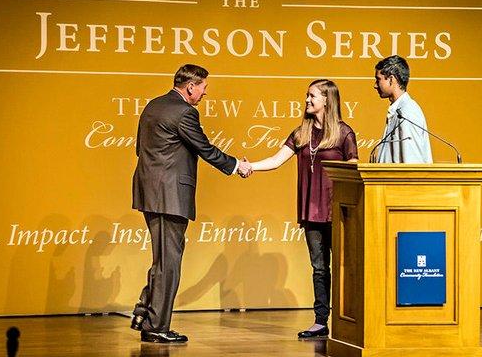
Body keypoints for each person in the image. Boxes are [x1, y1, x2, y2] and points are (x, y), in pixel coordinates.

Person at [130, 64, 252, 343]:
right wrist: (236, 166)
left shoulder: (153, 105)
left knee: (163, 258)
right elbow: (204, 148)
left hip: (150, 191)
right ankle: (156, 326)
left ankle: (144, 312)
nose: (204, 94)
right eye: (203, 89)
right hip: (170, 195)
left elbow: (140, 147)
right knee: (168, 262)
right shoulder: (185, 112)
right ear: (191, 87)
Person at [247, 79, 358, 339]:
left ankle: (349, 319)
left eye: (312, 96)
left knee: (345, 267)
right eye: (307, 96)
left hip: (339, 212)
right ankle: (321, 321)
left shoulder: (344, 133)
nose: (307, 100)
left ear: (327, 100)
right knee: (319, 268)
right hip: (312, 211)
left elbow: (354, 171)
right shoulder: (301, 134)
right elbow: (276, 160)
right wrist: (249, 166)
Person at [373, 55, 432, 163]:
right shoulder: (399, 110)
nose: (375, 85)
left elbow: (412, 164)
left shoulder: (407, 112)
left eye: (378, 80)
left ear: (391, 79)